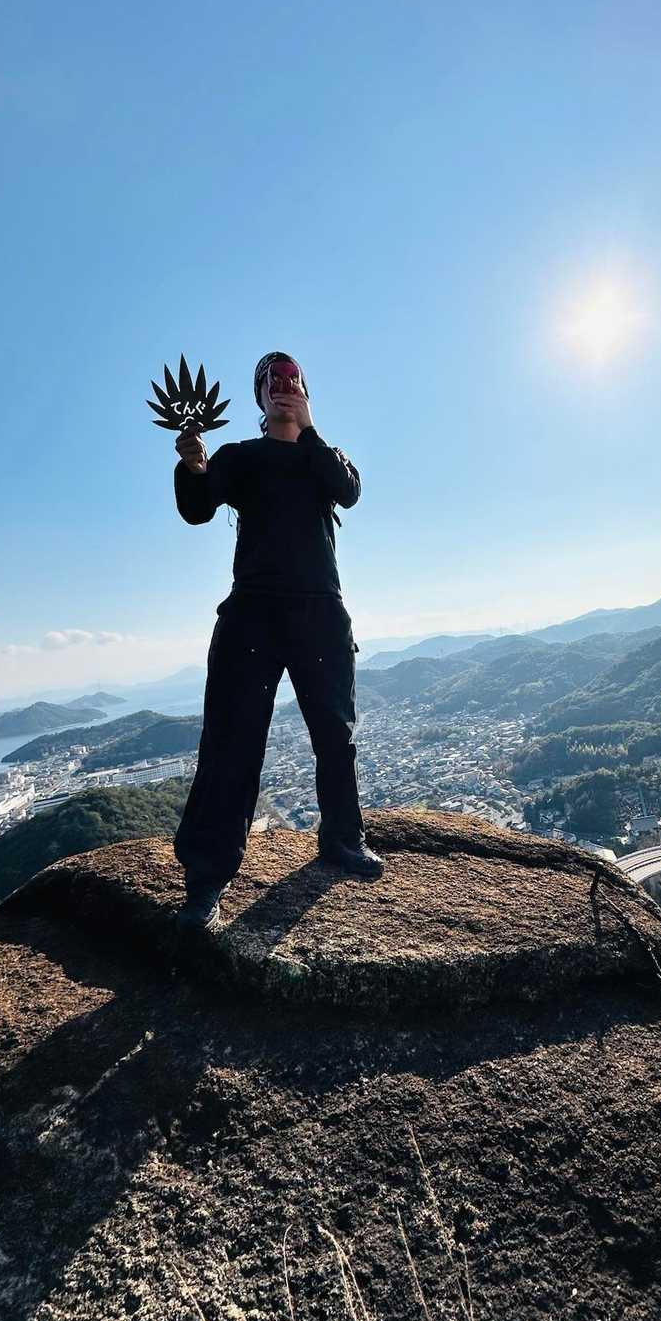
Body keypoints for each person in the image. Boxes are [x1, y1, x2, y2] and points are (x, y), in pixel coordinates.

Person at [170, 350, 383, 930]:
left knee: (335, 736)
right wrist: (192, 467)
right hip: (253, 610)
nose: (283, 388)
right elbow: (197, 509)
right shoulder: (239, 457)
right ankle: (206, 879)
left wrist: (309, 430)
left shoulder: (324, 456)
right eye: (272, 381)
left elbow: (347, 491)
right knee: (230, 740)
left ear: (306, 393)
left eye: (292, 380)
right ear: (259, 397)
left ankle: (342, 839)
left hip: (319, 611)